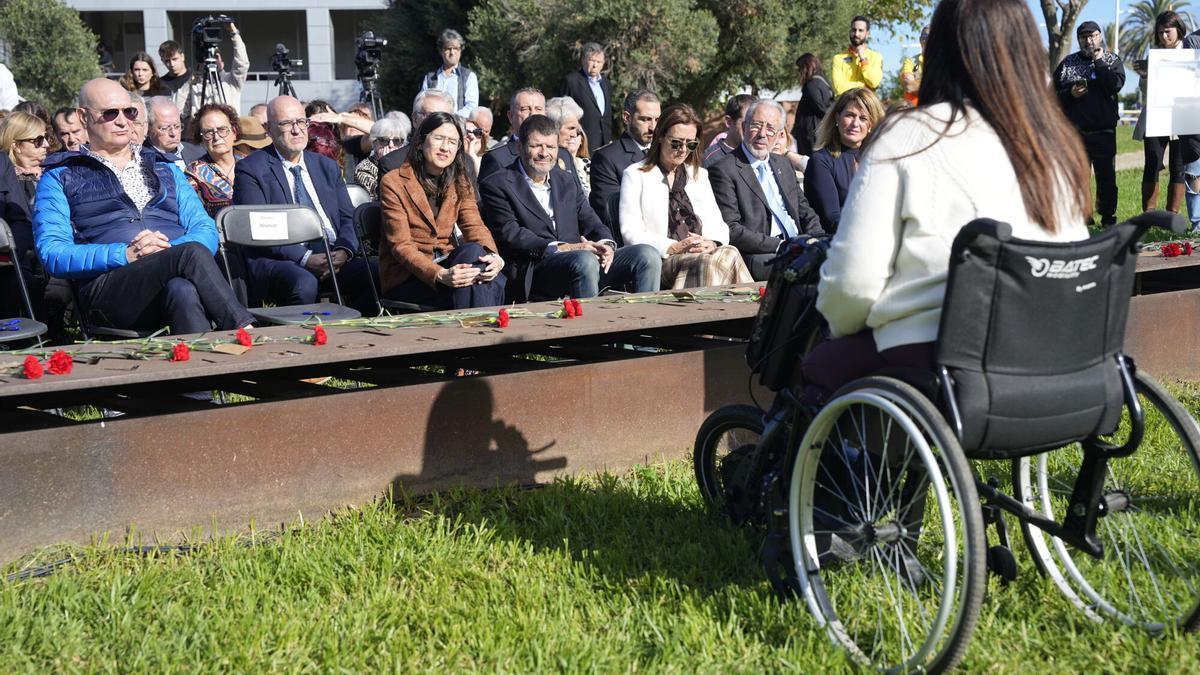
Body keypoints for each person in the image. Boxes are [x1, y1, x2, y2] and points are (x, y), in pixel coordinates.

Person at [804, 0, 1092, 401]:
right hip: (1057, 349)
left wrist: (842, 323)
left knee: (819, 364)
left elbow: (854, 283)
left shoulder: (910, 136)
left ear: (938, 52)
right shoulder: (1054, 143)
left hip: (949, 354)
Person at [34, 78, 253, 335]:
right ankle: (246, 332)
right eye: (110, 113)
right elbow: (52, 253)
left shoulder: (165, 167)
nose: (122, 120)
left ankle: (198, 373)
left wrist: (167, 254)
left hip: (172, 278)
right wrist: (125, 254)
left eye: (129, 112)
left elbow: (203, 227)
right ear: (83, 117)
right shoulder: (60, 176)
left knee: (182, 290)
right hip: (109, 291)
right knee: (189, 253)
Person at [479, 114, 661, 302]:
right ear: (519, 147)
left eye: (550, 147)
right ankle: (593, 329)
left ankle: (647, 321)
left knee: (647, 255)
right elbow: (512, 235)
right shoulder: (497, 183)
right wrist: (566, 248)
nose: (544, 153)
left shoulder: (565, 179)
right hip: (536, 269)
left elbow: (591, 221)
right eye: (536, 146)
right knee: (584, 261)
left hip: (583, 261)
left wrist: (605, 244)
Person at [232, 95, 370, 311]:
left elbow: (347, 217)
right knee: (304, 283)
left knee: (376, 271)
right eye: (286, 123)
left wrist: (344, 251)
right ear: (268, 129)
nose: (297, 130)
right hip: (282, 259)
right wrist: (306, 258)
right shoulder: (250, 170)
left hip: (334, 254)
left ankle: (358, 337)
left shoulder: (327, 166)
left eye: (301, 122)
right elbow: (260, 227)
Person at [379, 112, 505, 308]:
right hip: (410, 277)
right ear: (420, 142)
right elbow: (401, 245)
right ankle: (481, 332)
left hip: (452, 268)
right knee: (491, 283)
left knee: (477, 256)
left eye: (453, 142)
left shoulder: (459, 180)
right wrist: (440, 274)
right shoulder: (394, 182)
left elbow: (474, 225)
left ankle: (470, 332)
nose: (445, 148)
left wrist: (493, 257)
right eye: (439, 139)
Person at [619, 103, 753, 290]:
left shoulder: (698, 175)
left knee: (728, 251)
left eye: (691, 144)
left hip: (701, 254)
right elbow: (631, 233)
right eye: (676, 142)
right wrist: (674, 246)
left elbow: (719, 225)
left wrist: (711, 242)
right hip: (664, 259)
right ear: (660, 137)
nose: (683, 149)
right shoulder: (635, 175)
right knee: (710, 263)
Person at [709, 99, 824, 279]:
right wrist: (781, 245)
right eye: (756, 125)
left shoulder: (783, 164)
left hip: (798, 246)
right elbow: (731, 229)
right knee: (810, 270)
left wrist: (817, 240)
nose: (762, 134)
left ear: (779, 135)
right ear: (745, 126)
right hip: (761, 254)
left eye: (770, 129)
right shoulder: (723, 169)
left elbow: (805, 211)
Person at [1053, 21, 1125, 227]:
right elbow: (1051, 96)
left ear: (1100, 37)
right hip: (1076, 133)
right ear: (1078, 40)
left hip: (1104, 132)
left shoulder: (1112, 61)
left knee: (1107, 180)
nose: (1089, 40)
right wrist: (1070, 94)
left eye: (1093, 36)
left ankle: (1108, 217)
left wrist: (1099, 61)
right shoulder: (1067, 64)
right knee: (1078, 179)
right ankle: (1084, 218)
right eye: (1084, 37)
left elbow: (1113, 86)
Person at [804, 88, 885, 233]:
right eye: (850, 115)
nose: (855, 123)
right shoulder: (821, 161)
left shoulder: (880, 159)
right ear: (837, 118)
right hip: (841, 242)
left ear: (871, 125)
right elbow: (832, 218)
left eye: (863, 118)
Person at [1133, 11, 1188, 213]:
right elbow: (1143, 88)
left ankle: (1172, 214)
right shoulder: (1154, 54)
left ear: (1178, 29)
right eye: (1160, 33)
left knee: (1179, 165)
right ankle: (1149, 213)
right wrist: (1145, 75)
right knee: (1152, 162)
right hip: (1156, 115)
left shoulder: (1190, 51)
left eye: (1168, 32)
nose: (1164, 37)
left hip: (1183, 116)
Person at [588, 89, 661, 231]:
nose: (653, 127)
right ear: (627, 117)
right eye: (645, 119)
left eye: (657, 120)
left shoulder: (666, 152)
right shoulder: (606, 158)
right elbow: (611, 214)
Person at [477, 88, 580, 185]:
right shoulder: (497, 158)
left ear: (545, 114)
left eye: (538, 109)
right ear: (510, 116)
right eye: (525, 109)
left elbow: (578, 198)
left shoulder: (563, 155)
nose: (533, 114)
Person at [174, 22, 248, 121]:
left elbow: (242, 63)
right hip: (202, 134)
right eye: (207, 57)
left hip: (228, 133)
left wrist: (234, 33)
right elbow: (176, 111)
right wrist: (188, 84)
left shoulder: (231, 81)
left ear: (222, 63)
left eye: (216, 56)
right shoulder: (195, 85)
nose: (212, 59)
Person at [377, 90, 456, 175]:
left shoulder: (464, 165)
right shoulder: (392, 165)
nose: (439, 123)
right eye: (431, 116)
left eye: (445, 118)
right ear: (415, 119)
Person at [185, 103, 241, 218]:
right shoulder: (194, 173)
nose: (216, 137)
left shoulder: (251, 163)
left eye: (222, 129)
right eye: (208, 132)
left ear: (234, 132)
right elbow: (194, 215)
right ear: (201, 139)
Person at [559, 42, 614, 150]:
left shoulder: (606, 83)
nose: (595, 65)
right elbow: (561, 113)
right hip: (582, 142)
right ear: (583, 60)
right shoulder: (571, 81)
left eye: (599, 62)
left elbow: (605, 115)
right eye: (592, 60)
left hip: (605, 142)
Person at [420, 29, 478, 118]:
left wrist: (450, 120)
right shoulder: (430, 78)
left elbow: (472, 107)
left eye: (456, 48)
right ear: (441, 51)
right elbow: (422, 104)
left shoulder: (469, 77)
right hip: (432, 126)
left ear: (460, 51)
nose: (452, 52)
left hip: (457, 128)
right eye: (448, 48)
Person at [0, 111, 50, 208]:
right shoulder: (4, 179)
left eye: (46, 137)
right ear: (16, 145)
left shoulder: (54, 172)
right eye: (39, 140)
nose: (46, 144)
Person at [355, 117, 411, 200]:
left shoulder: (409, 163)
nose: (391, 145)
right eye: (384, 140)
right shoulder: (363, 170)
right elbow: (385, 196)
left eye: (397, 141)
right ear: (373, 143)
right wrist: (387, 164)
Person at [545, 96, 591, 195]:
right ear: (555, 128)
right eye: (571, 128)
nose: (574, 134)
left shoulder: (567, 156)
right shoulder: (545, 159)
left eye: (576, 129)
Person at [791, 54, 834, 157]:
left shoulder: (812, 85)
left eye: (800, 68)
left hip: (811, 134)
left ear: (806, 67)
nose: (799, 72)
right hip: (818, 133)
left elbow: (821, 108)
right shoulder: (824, 81)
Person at [146, 96, 204, 170]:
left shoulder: (199, 153)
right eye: (164, 128)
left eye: (177, 126)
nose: (173, 133)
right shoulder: (141, 159)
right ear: (148, 128)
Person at [831, 15, 883, 96]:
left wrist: (862, 58)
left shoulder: (876, 57)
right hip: (845, 106)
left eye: (861, 30)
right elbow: (839, 88)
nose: (856, 34)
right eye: (854, 30)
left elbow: (874, 82)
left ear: (867, 34)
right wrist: (863, 85)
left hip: (867, 106)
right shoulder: (838, 58)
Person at [703, 94, 755, 168]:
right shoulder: (710, 160)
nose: (751, 129)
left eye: (755, 123)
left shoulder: (759, 156)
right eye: (746, 122)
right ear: (729, 122)